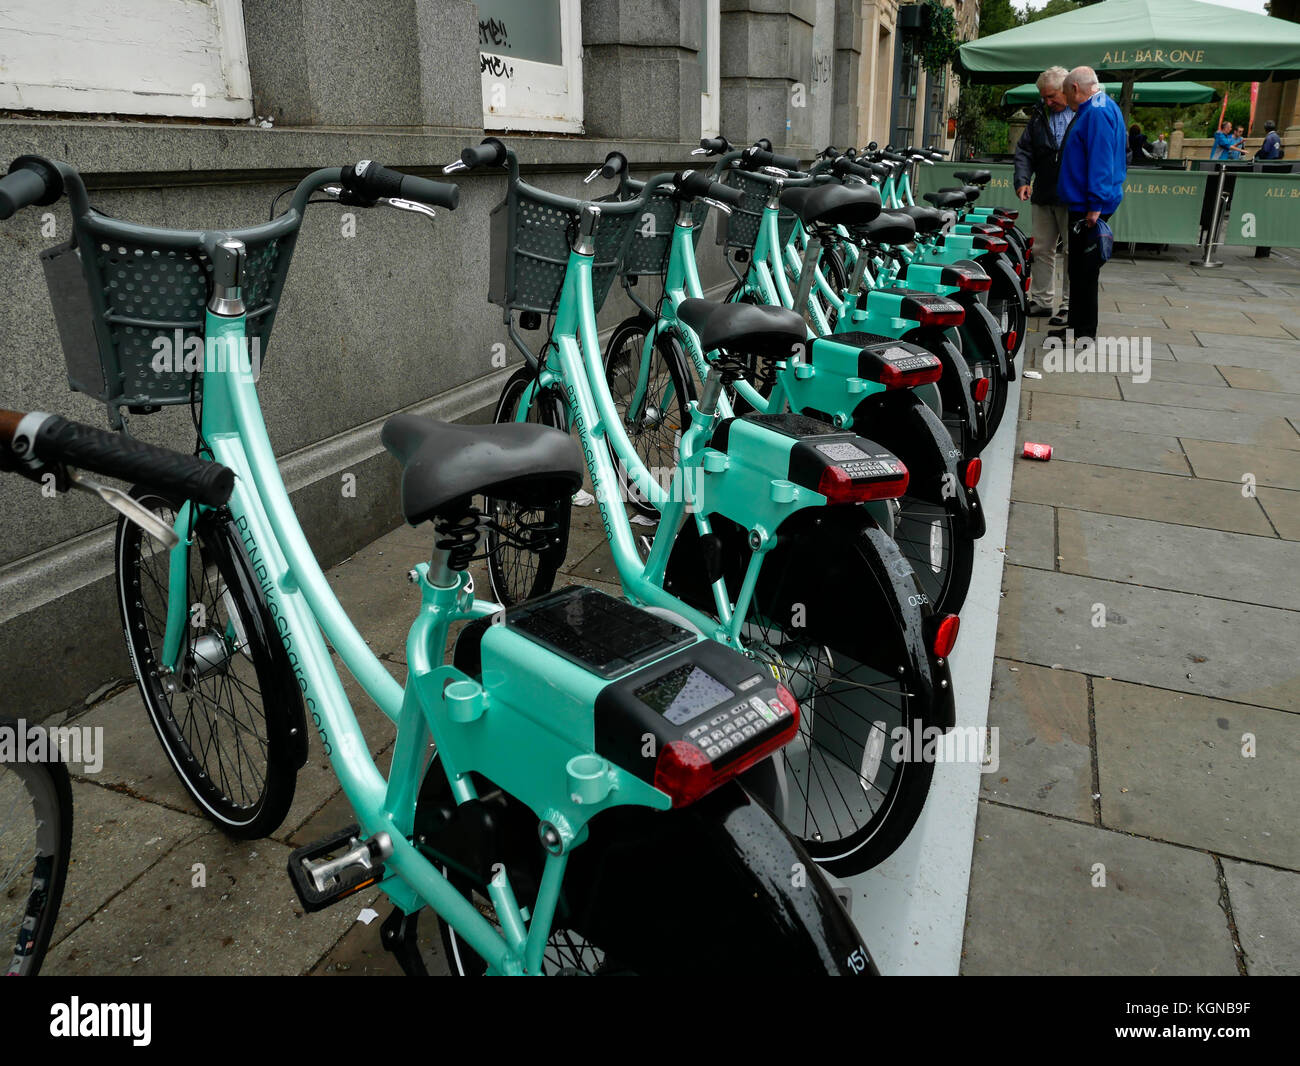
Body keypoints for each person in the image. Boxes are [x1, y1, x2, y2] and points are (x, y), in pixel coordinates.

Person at [1055, 66, 1127, 345]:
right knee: (1081, 269)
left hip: (1088, 204)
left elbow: (1100, 160)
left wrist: (1094, 206)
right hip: (1090, 200)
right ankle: (1078, 327)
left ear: (1074, 89)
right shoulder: (1105, 105)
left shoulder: (1094, 112)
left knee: (1083, 270)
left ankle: (1083, 331)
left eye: (1065, 92)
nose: (1065, 99)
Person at [1013, 66, 1075, 326]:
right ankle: (1041, 301)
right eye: (1044, 97)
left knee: (1073, 252)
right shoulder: (1039, 115)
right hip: (1044, 191)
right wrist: (1023, 180)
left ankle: (1070, 305)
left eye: (1051, 96)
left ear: (1066, 90)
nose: (1047, 102)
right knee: (1041, 249)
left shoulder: (1084, 113)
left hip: (1073, 195)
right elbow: (1025, 150)